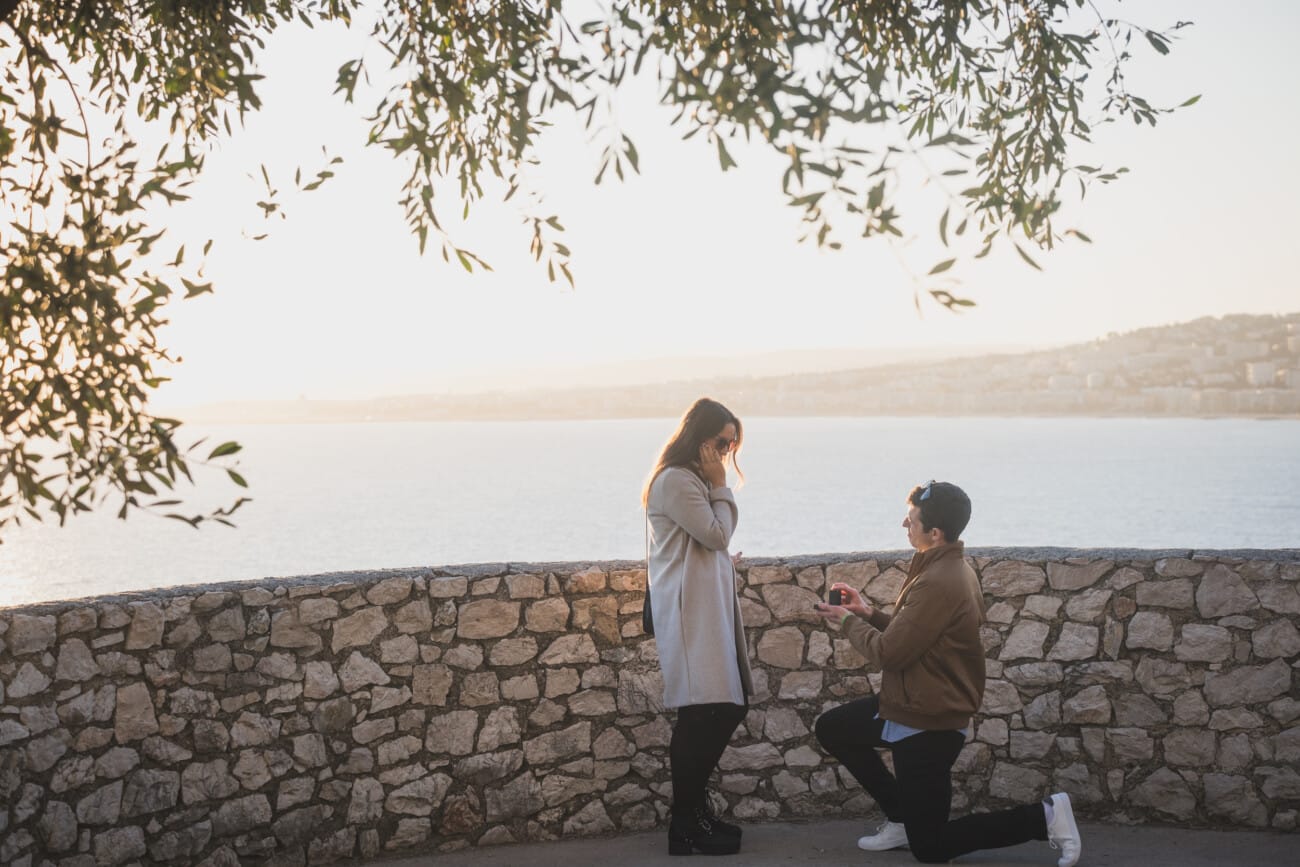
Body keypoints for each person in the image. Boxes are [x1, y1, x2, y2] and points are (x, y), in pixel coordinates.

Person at [812, 480, 1082, 867]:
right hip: (911, 702)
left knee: (933, 847)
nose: (905, 527)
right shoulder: (945, 568)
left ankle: (1045, 817)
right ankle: (902, 817)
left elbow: (889, 653)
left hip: (928, 723)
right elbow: (919, 635)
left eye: (911, 522)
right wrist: (868, 614)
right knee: (834, 728)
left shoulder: (939, 581)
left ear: (934, 533)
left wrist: (844, 623)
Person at [642, 397, 752, 856]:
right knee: (704, 711)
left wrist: (719, 563)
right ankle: (685, 824)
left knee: (723, 708)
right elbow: (717, 534)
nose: (726, 452)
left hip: (704, 608)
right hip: (691, 614)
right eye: (721, 442)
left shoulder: (689, 479)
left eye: (730, 446)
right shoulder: (679, 481)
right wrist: (722, 486)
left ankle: (692, 815)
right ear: (699, 436)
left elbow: (707, 543)